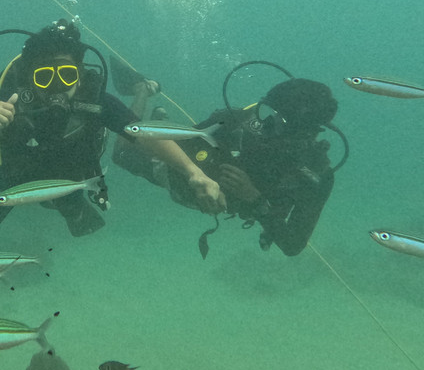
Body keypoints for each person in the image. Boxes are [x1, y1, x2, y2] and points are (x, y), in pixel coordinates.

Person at [0, 19, 223, 236]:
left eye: (67, 75)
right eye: (44, 77)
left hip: (70, 172)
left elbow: (143, 133)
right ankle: (54, 198)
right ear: (31, 79)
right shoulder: (11, 98)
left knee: (81, 223)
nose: (57, 86)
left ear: (80, 76)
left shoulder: (95, 99)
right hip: (15, 168)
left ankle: (140, 92)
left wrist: (193, 172)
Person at [112, 60, 340, 256]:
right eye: (265, 111)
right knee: (122, 153)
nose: (263, 124)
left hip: (242, 201)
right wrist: (195, 175)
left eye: (277, 122)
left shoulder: (316, 174)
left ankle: (161, 119)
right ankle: (141, 90)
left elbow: (292, 245)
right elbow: (144, 135)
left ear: (306, 132)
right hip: (182, 177)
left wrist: (255, 200)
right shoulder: (239, 122)